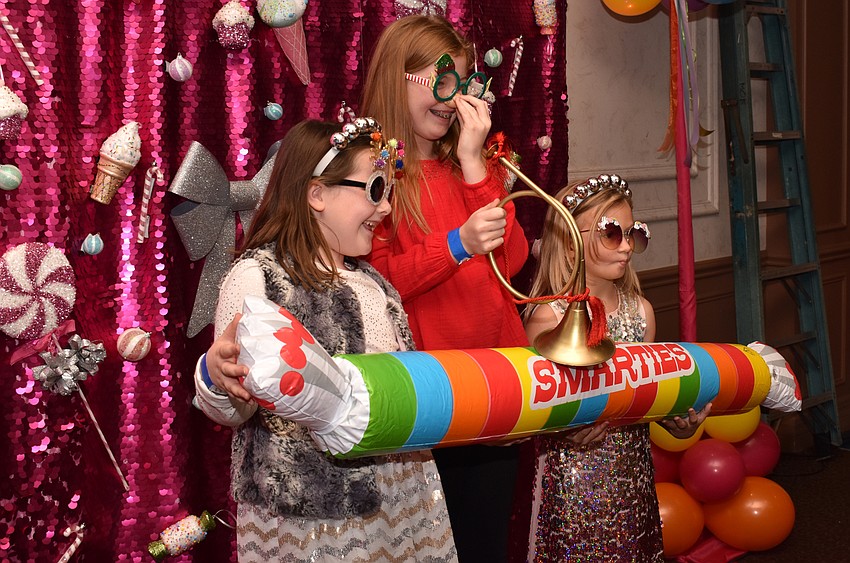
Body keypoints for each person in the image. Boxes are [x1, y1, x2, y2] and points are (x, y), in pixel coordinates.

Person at [193, 118, 457, 562]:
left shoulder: (374, 285)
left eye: (389, 192)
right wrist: (216, 378)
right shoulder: (258, 278)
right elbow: (237, 409)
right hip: (313, 517)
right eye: (375, 190)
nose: (387, 208)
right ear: (316, 194)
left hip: (403, 497)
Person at [360, 15, 529, 562]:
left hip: (499, 382)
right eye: (438, 80)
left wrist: (477, 164)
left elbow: (517, 258)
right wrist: (456, 244)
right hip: (431, 399)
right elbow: (379, 282)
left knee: (484, 541)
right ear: (398, 78)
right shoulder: (378, 176)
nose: (449, 97)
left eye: (459, 82)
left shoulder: (470, 168)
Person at [521, 174, 711, 562]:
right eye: (611, 233)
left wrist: (673, 419)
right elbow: (534, 406)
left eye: (633, 233)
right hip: (571, 486)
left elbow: (643, 394)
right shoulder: (547, 319)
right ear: (571, 241)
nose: (626, 246)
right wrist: (565, 431)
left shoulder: (642, 313)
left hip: (633, 478)